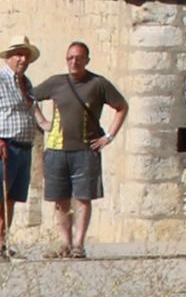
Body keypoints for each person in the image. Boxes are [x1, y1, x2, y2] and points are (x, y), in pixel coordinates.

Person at [32, 43, 124, 262]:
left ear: (87, 60)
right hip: (56, 149)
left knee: (83, 198)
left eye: (79, 58)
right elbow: (30, 97)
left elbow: (122, 107)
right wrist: (42, 120)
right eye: (70, 58)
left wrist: (108, 137)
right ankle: (64, 243)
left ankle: (79, 245)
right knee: (60, 199)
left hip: (85, 149)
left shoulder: (98, 84)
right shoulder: (56, 83)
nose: (74, 62)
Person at [0, 42, 34, 259]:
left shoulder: (26, 82)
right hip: (5, 145)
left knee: (11, 197)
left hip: (23, 146)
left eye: (26, 56)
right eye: (19, 55)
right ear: (9, 57)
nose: (23, 60)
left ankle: (3, 241)